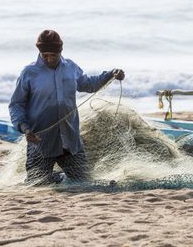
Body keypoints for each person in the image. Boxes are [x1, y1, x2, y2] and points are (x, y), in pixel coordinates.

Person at [9, 29, 125, 184]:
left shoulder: (70, 68)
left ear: (60, 51)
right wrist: (24, 127)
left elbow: (89, 84)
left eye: (53, 55)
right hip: (40, 142)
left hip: (70, 139)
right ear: (39, 53)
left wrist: (111, 74)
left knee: (83, 182)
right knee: (36, 184)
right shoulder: (29, 73)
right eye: (45, 56)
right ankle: (57, 177)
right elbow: (16, 104)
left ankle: (60, 177)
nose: (49, 59)